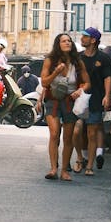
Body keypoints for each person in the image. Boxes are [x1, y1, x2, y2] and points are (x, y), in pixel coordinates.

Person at [37, 32, 89, 181]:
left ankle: (64, 170)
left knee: (68, 137)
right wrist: (56, 72)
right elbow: (44, 82)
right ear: (58, 44)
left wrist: (80, 90)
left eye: (69, 41)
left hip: (70, 101)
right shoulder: (50, 61)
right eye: (64, 41)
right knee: (54, 134)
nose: (67, 43)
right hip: (52, 100)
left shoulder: (78, 62)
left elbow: (87, 82)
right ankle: (53, 168)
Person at [77, 27, 111, 174]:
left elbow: (108, 78)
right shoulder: (78, 57)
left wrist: (106, 96)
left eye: (85, 36)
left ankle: (89, 166)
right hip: (79, 100)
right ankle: (80, 158)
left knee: (92, 133)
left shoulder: (103, 58)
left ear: (93, 40)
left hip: (95, 99)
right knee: (77, 131)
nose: (82, 38)